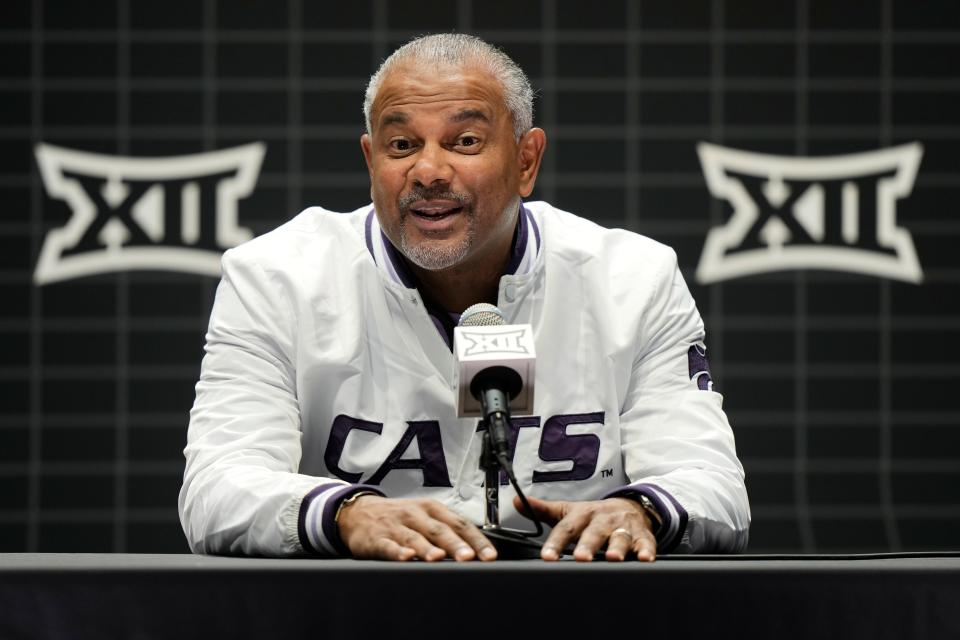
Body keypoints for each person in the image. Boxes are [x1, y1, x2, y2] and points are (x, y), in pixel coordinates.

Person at [178, 33, 750, 562]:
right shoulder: (277, 278)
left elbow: (710, 482)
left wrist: (640, 509)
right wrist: (347, 514)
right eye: (401, 144)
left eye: (465, 141)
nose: (428, 170)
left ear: (526, 160)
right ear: (370, 161)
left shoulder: (632, 279)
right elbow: (218, 487)